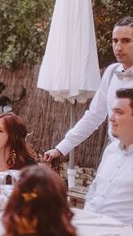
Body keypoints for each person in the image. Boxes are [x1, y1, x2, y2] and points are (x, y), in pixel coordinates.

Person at [44, 17, 133, 163]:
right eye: (115, 40)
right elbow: (94, 116)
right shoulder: (111, 73)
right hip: (116, 155)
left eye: (126, 40)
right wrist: (61, 148)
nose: (118, 47)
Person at [84, 88, 133, 226]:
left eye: (119, 112)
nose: (111, 118)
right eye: (112, 111)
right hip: (89, 226)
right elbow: (94, 190)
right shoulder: (111, 150)